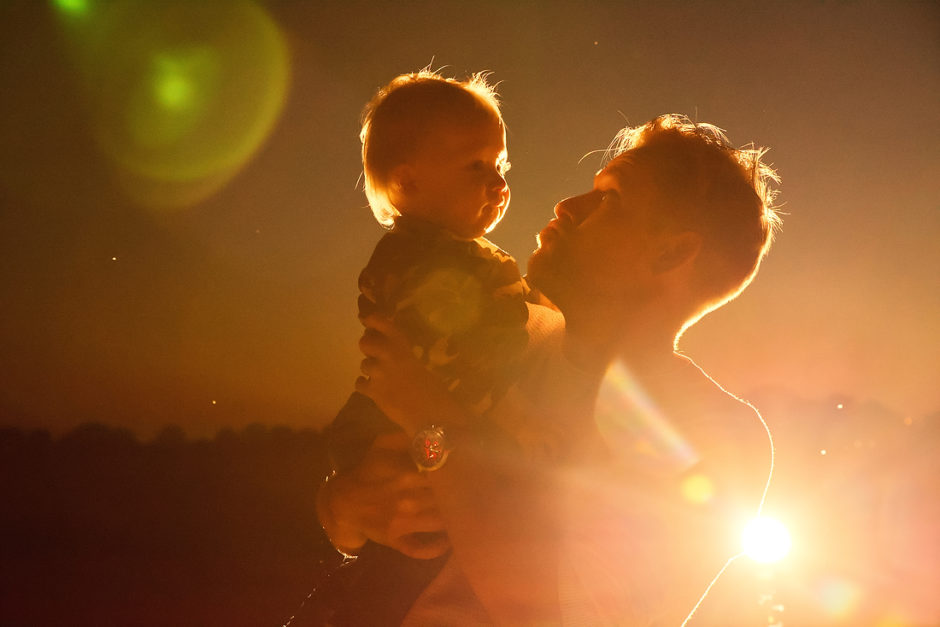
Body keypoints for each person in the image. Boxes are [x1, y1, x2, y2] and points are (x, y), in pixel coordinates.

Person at [333, 114, 782, 624]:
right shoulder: (493, 347)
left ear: (672, 252)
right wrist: (342, 510)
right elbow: (362, 509)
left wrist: (432, 424)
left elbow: (557, 613)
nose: (565, 206)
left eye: (611, 198)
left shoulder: (720, 436)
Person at [315, 69, 538, 626]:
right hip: (393, 422)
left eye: (500, 165)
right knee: (415, 525)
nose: (498, 183)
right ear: (408, 184)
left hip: (430, 422)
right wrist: (517, 415)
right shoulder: (416, 263)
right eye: (475, 166)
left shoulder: (467, 256)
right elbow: (444, 359)